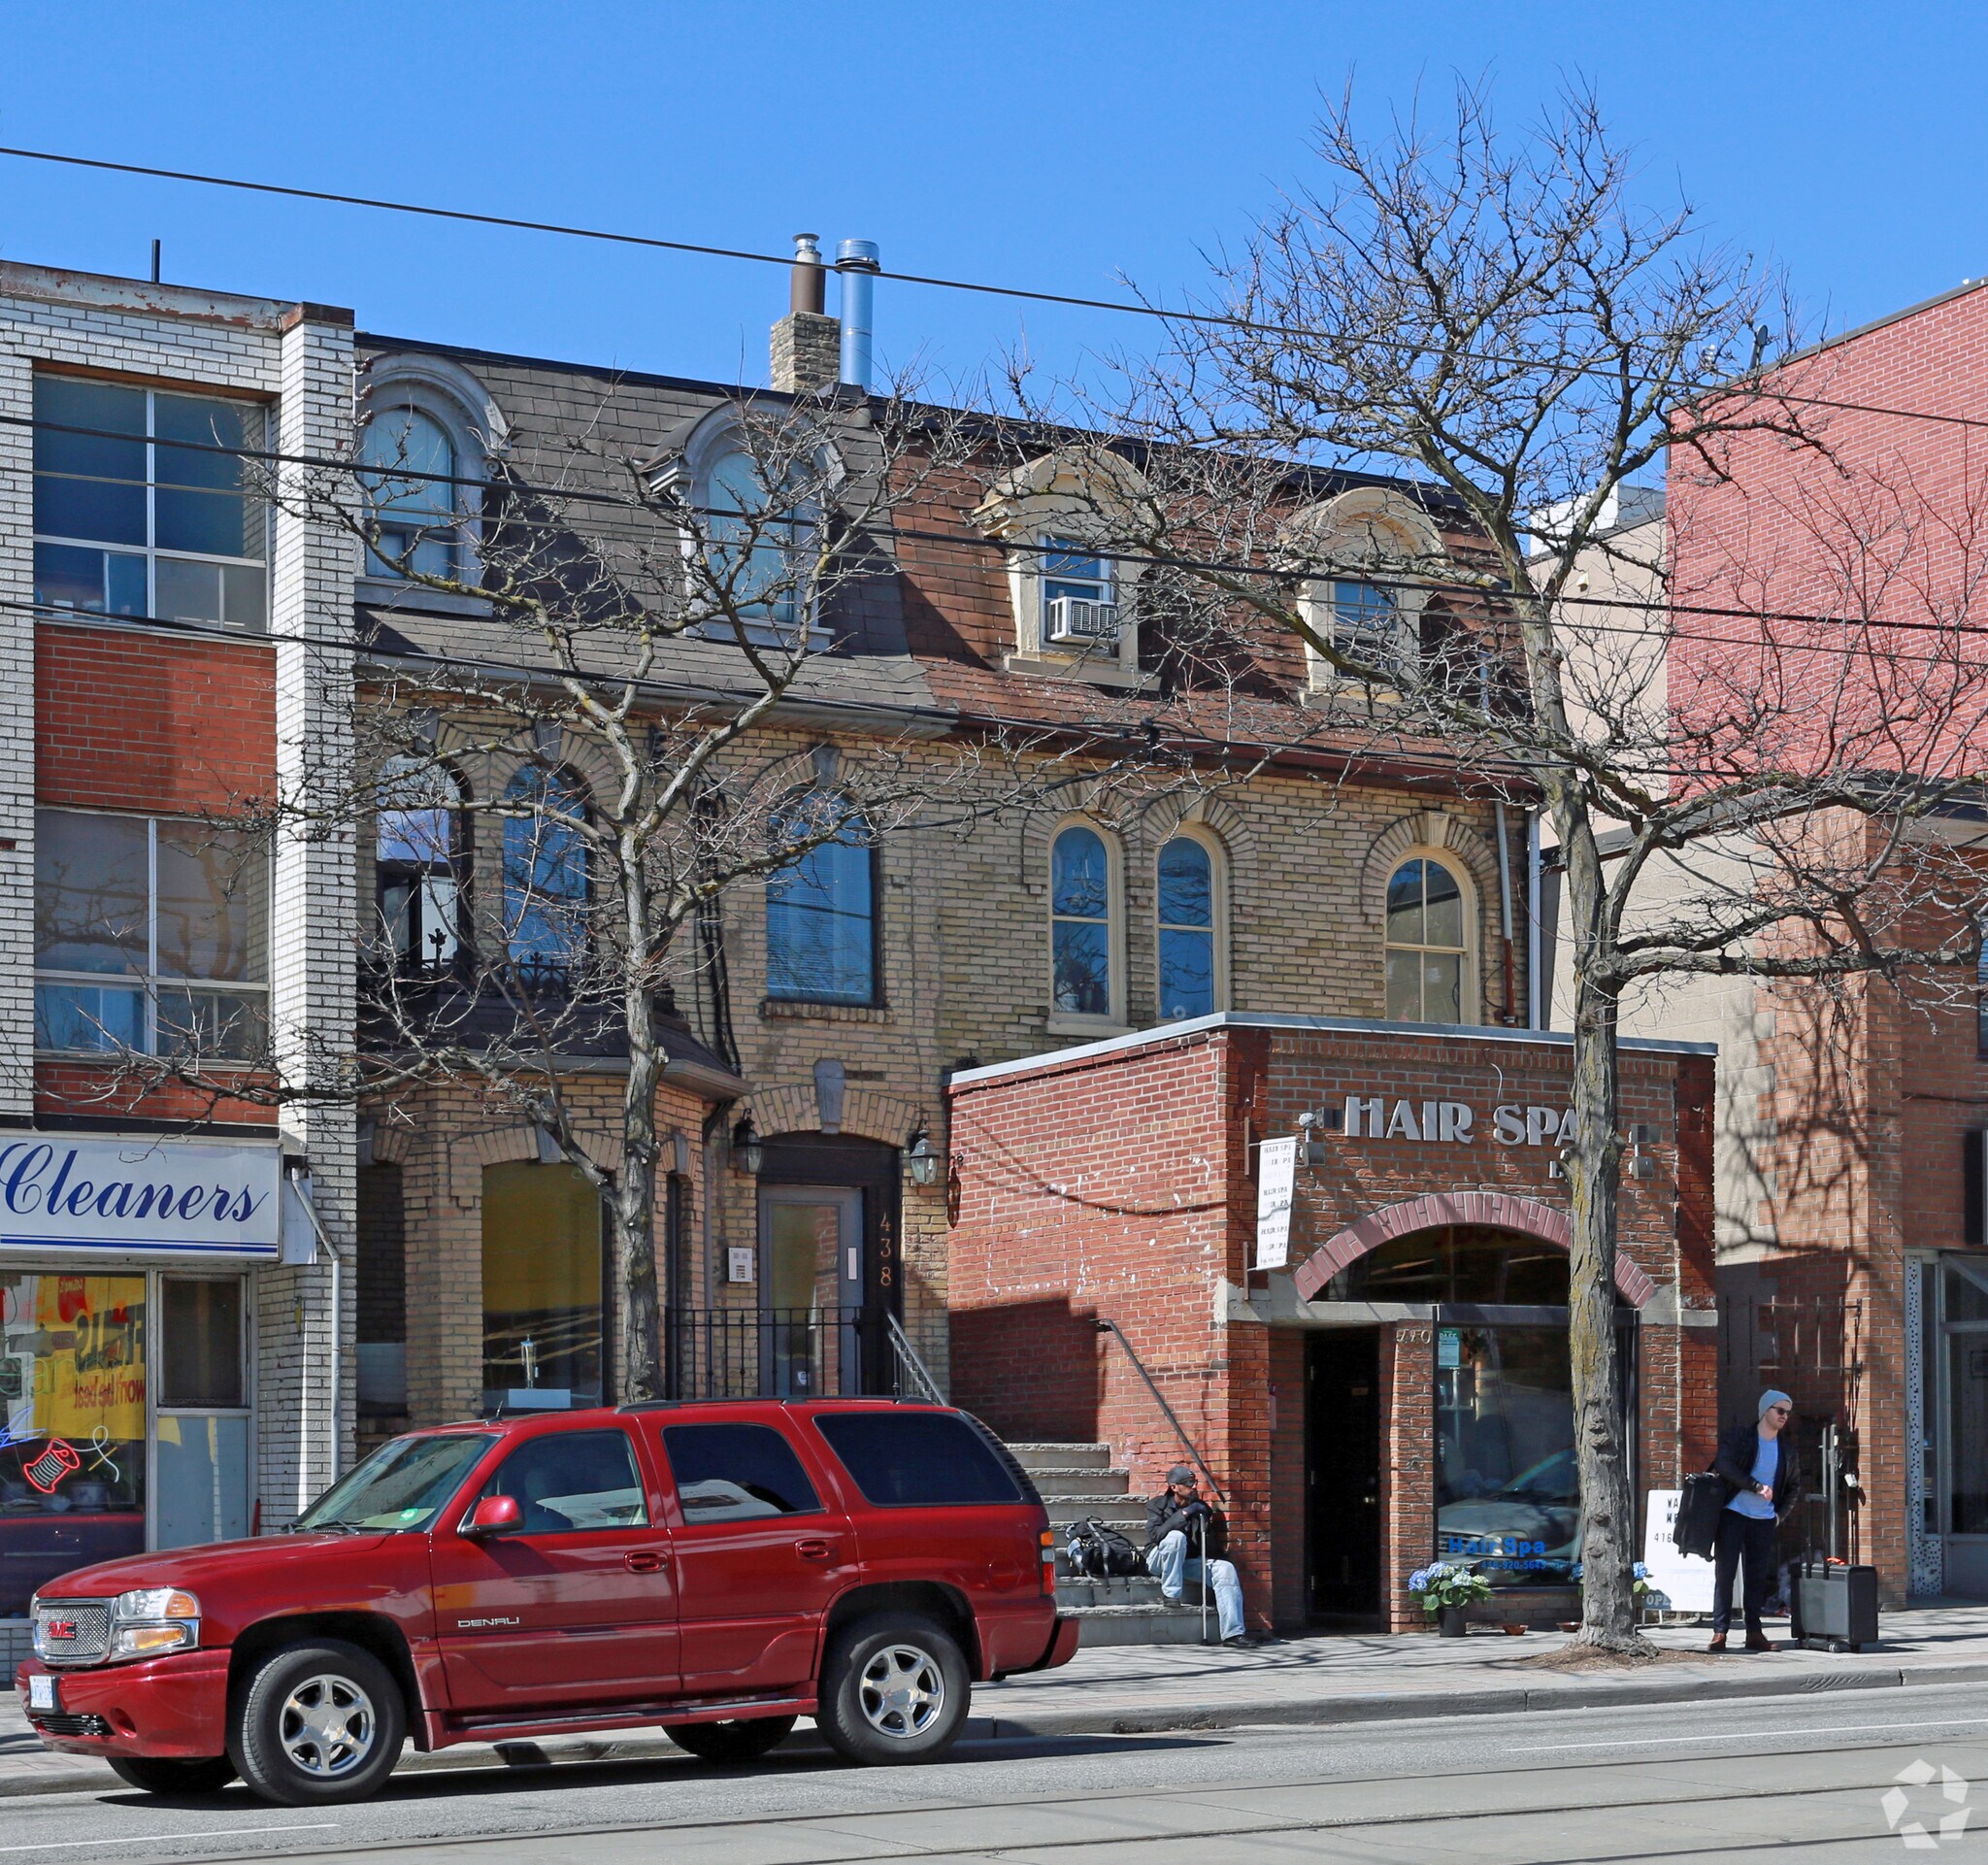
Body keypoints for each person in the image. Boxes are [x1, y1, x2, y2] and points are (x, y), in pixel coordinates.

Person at [1709, 1389, 1801, 1652]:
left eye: (1788, 1412)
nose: (1784, 1416)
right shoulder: (1742, 1438)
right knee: (1725, 1575)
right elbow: (1723, 1464)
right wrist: (1754, 1485)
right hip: (1733, 1514)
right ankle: (1720, 1631)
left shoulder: (1786, 1450)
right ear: (1765, 1411)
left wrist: (1778, 1516)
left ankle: (1754, 1633)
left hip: (1763, 1520)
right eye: (1780, 1410)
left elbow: (1794, 1486)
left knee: (1756, 1578)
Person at [1143, 1464, 1251, 1646]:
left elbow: (1205, 1545)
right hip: (1158, 1559)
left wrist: (1200, 1516)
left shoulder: (1199, 1508)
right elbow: (1156, 1535)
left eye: (1194, 1482)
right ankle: (1171, 1594)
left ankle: (1233, 1633)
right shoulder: (1157, 1505)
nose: (1194, 1486)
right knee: (1175, 1537)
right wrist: (1185, 1514)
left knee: (1225, 1569)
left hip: (1186, 1561)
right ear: (1174, 1487)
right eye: (1188, 1483)